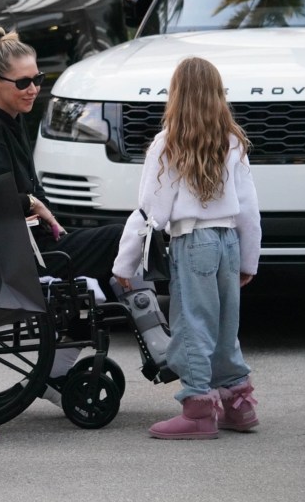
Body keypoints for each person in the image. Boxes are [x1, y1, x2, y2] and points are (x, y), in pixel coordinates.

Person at [112, 56, 262, 440]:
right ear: (218, 94)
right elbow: (248, 208)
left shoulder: (168, 143)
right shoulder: (233, 140)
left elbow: (151, 211)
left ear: (176, 94)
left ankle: (198, 408)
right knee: (226, 323)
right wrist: (249, 259)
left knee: (192, 324)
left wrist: (125, 265)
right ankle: (237, 404)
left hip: (193, 241)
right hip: (228, 241)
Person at [0, 26, 127, 331]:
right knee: (122, 237)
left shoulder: (8, 118)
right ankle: (156, 333)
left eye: (37, 79)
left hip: (35, 243)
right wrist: (32, 202)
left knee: (129, 236)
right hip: (19, 256)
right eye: (23, 82)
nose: (33, 89)